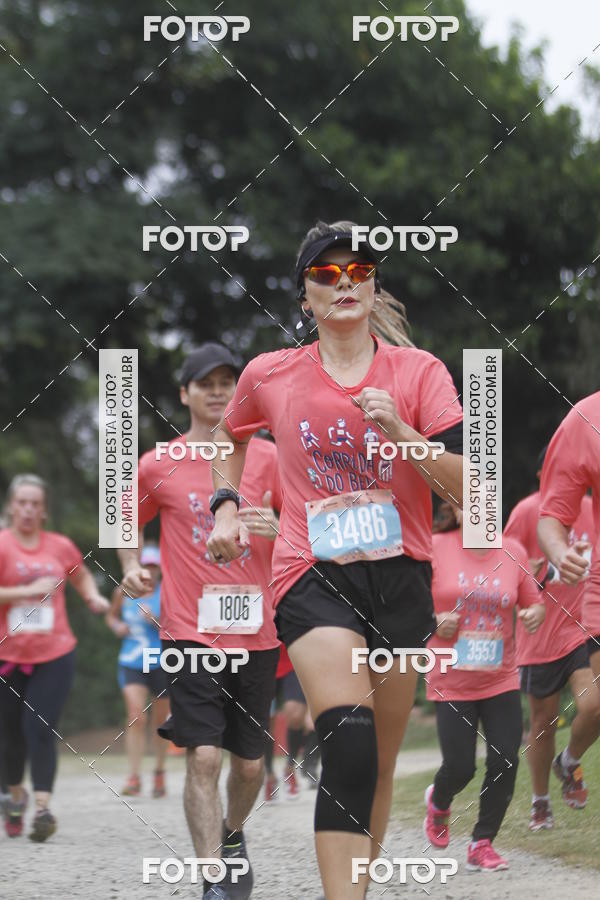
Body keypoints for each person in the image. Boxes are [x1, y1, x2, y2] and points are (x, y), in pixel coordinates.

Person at [207, 220, 464, 899]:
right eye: (326, 274)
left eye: (358, 271)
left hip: (402, 577)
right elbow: (227, 439)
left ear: (375, 286)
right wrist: (227, 506)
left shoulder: (420, 373)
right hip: (312, 574)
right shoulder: (271, 374)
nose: (344, 282)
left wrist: (402, 432)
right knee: (347, 743)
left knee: (377, 763)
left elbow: (473, 485)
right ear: (305, 297)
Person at [119, 343, 281, 900]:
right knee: (205, 756)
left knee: (250, 768)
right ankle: (213, 876)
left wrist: (276, 527)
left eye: (227, 382)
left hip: (259, 632)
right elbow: (124, 521)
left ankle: (232, 837)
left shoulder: (270, 458)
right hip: (188, 631)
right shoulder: (158, 462)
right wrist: (130, 568)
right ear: (183, 393)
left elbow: (310, 535)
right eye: (204, 382)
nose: (218, 391)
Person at [424, 502, 545, 871]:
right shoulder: (434, 548)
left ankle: (482, 842)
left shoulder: (513, 552)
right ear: (455, 510)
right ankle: (439, 800)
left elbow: (534, 603)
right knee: (460, 767)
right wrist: (433, 619)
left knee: (506, 757)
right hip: (450, 676)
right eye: (470, 502)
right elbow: (406, 606)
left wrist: (534, 614)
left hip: (500, 676)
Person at [0, 474, 109, 842]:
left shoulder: (60, 546)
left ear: (44, 510)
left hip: (55, 652)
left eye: (35, 503)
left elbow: (81, 577)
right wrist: (27, 589)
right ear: (11, 507)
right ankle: (16, 798)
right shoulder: (2, 545)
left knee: (39, 730)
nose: (28, 509)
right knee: (9, 737)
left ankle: (43, 809)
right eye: (22, 502)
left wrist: (93, 596)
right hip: (6, 655)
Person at [505, 447, 600, 829]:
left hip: (583, 626)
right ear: (547, 471)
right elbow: (504, 563)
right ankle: (541, 801)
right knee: (543, 722)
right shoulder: (529, 511)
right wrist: (541, 568)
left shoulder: (594, 508)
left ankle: (570, 760)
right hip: (540, 632)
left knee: (594, 704)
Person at [537, 391, 600, 816]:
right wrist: (559, 553)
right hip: (552, 624)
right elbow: (550, 519)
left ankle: (568, 761)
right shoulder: (587, 417)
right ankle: (541, 798)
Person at [106, 543, 170, 798]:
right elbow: (111, 617)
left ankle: (159, 771)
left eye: (155, 567)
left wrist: (156, 621)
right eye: (146, 566)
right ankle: (133, 775)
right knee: (136, 716)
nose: (150, 572)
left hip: (161, 660)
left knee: (161, 722)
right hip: (132, 660)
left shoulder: (168, 592)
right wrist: (117, 627)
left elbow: (178, 629)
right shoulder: (122, 592)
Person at [263, 643, 319, 801]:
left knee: (295, 715)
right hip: (264, 656)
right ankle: (269, 774)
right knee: (266, 722)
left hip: (294, 657)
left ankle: (290, 767)